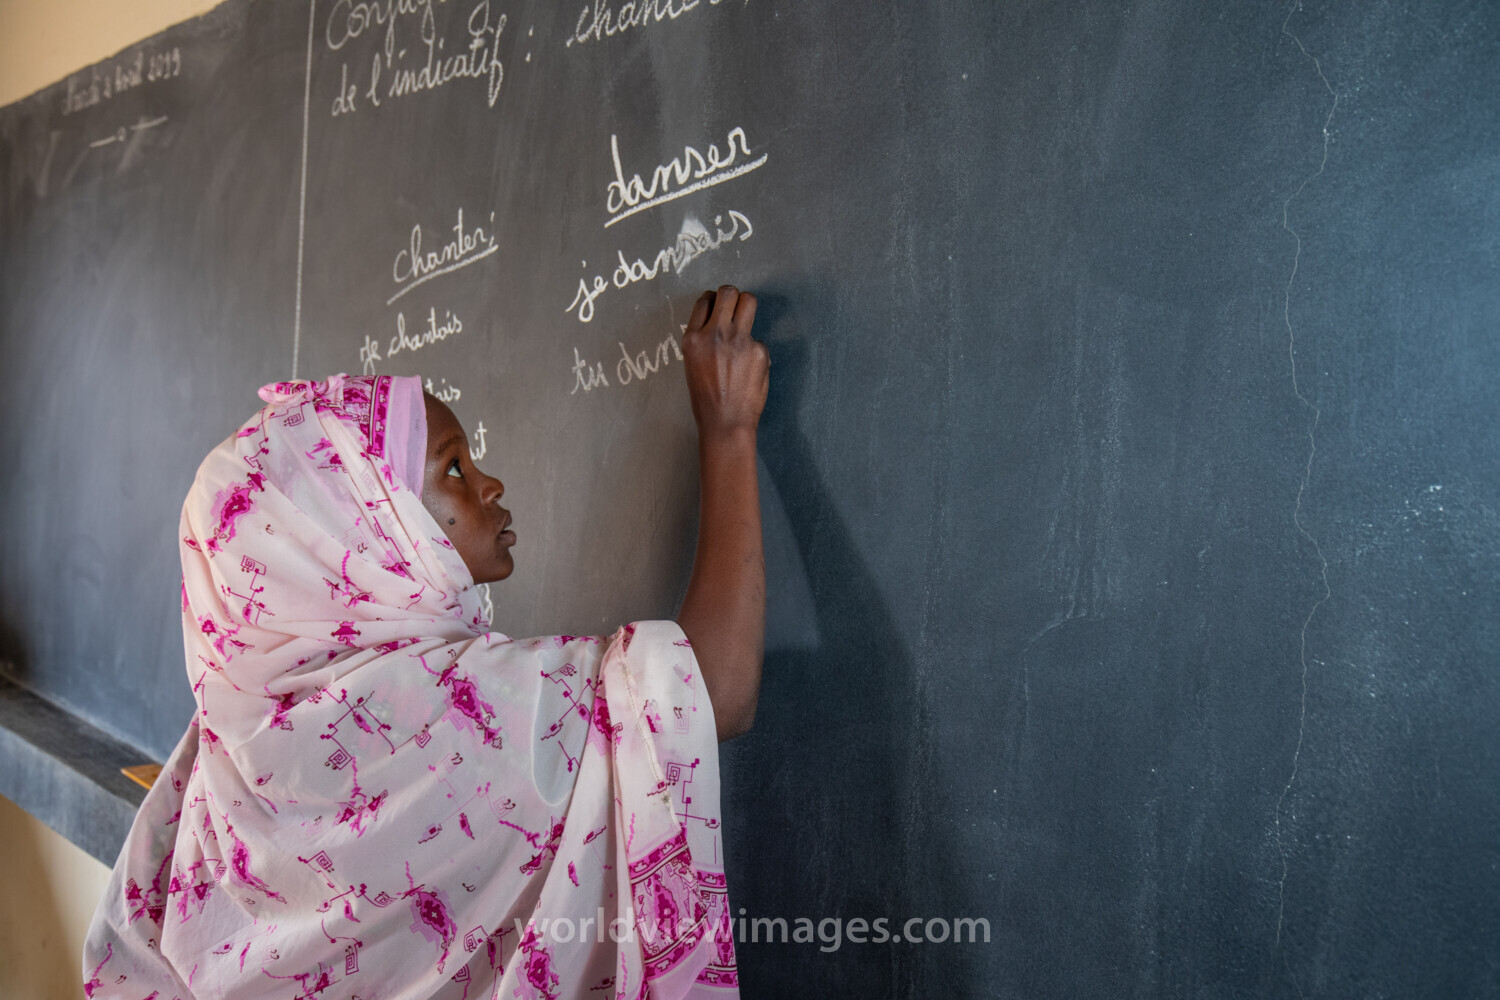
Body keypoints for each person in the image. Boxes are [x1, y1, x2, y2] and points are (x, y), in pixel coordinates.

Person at [82, 287, 769, 1000]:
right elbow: (712, 691)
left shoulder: (224, 750)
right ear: (365, 534)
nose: (488, 483)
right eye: (452, 468)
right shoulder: (443, 721)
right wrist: (729, 433)